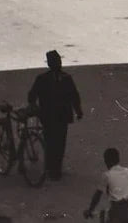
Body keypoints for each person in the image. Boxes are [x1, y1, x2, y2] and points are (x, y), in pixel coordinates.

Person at [28, 49, 83, 180]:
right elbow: (74, 96)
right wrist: (78, 111)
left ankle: (54, 168)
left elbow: (74, 96)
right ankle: (53, 169)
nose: (59, 64)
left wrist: (78, 110)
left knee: (56, 142)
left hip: (56, 116)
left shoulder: (45, 79)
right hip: (51, 116)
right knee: (54, 142)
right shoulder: (63, 78)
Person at [84, 148, 128, 223]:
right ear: (118, 159)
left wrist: (90, 210)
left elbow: (97, 195)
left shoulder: (107, 175)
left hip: (117, 211)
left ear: (106, 161)